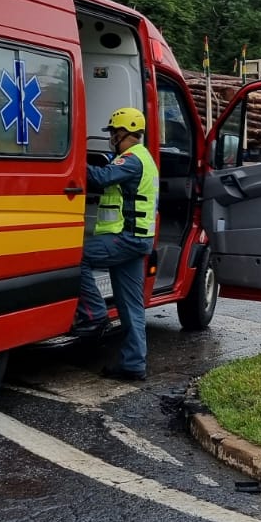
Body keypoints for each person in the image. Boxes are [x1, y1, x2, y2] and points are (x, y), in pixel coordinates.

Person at [73, 106, 159, 381]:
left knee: (76, 259)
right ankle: (134, 365)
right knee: (132, 306)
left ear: (126, 132)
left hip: (125, 239)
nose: (111, 137)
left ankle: (94, 313)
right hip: (137, 240)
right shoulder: (142, 158)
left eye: (113, 132)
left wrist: (72, 161)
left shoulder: (132, 160)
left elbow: (100, 178)